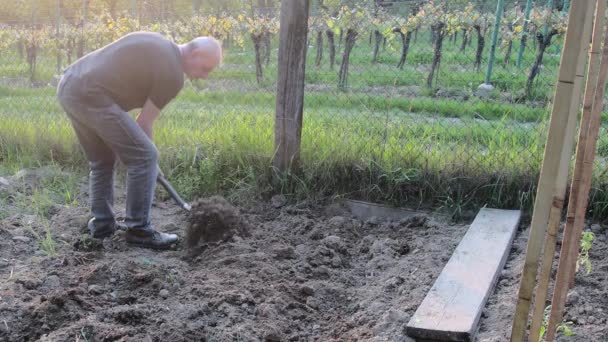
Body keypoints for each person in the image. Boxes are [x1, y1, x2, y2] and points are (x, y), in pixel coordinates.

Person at [57, 32, 222, 249]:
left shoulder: (160, 44)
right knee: (144, 156)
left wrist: (150, 160)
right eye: (205, 68)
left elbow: (143, 127)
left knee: (103, 161)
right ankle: (139, 230)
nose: (204, 76)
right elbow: (144, 122)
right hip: (91, 93)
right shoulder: (172, 73)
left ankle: (103, 225)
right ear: (195, 53)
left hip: (70, 86)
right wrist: (149, 160)